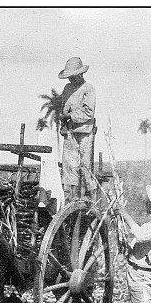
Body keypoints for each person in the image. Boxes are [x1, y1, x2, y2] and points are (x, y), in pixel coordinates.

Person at [58, 57, 97, 202]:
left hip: (84, 132)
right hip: (69, 132)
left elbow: (88, 113)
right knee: (69, 167)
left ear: (80, 74)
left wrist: (70, 116)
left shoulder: (88, 88)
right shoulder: (67, 89)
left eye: (73, 77)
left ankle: (92, 200)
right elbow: (63, 107)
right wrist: (63, 119)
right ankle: (70, 201)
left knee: (85, 167)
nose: (71, 80)